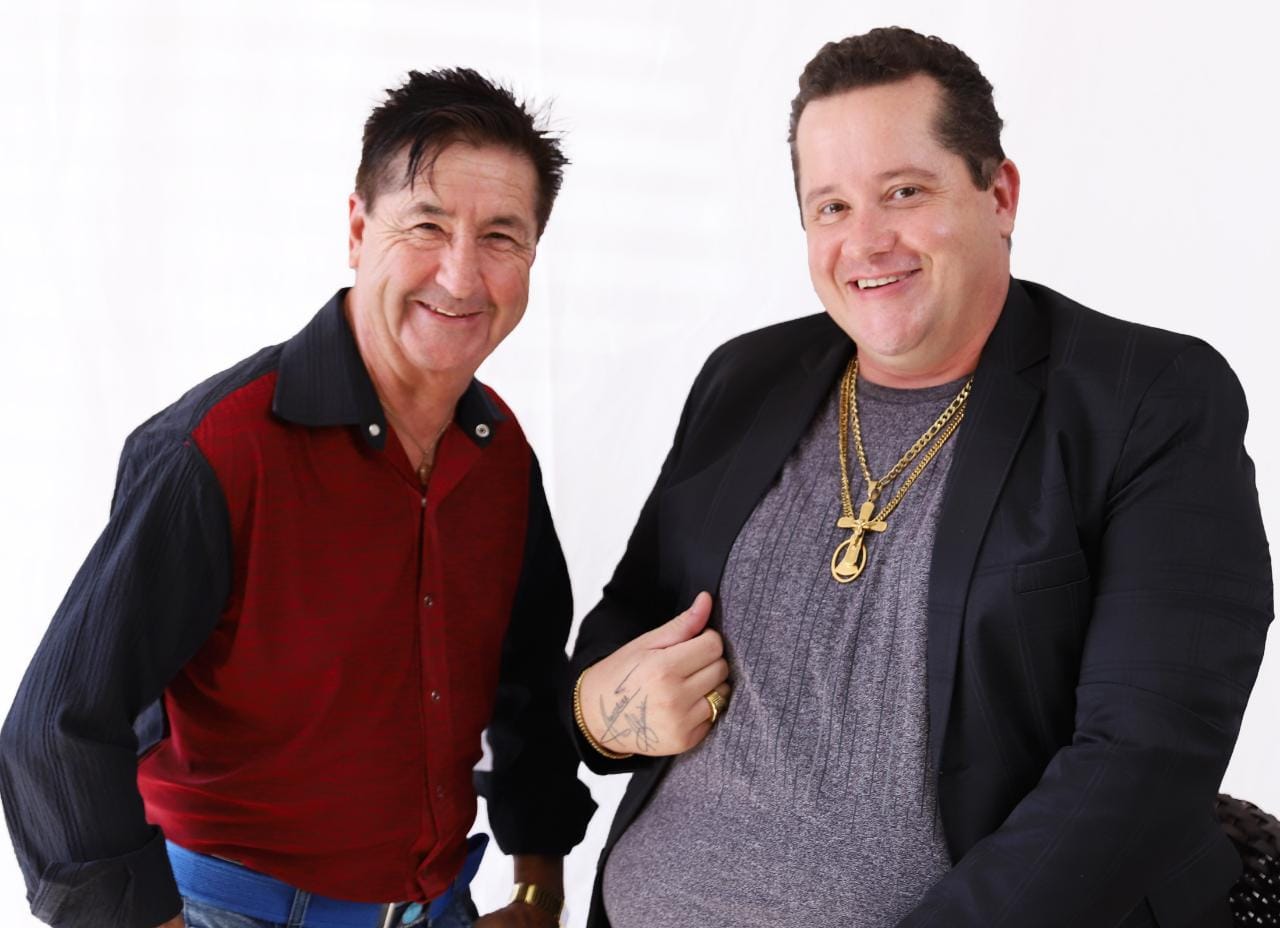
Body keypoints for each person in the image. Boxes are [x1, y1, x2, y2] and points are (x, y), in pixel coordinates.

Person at [568, 26, 1272, 928]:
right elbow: (624, 629)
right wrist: (597, 715)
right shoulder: (744, 378)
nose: (866, 242)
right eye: (831, 207)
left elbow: (1145, 757)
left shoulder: (1146, 399)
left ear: (1000, 195)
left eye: (903, 191)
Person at [1, 68, 594, 928]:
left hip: (441, 908)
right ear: (358, 229)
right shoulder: (220, 447)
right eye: (427, 225)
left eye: (501, 236)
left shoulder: (499, 453)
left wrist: (539, 890)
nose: (461, 275)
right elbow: (56, 730)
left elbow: (529, 684)